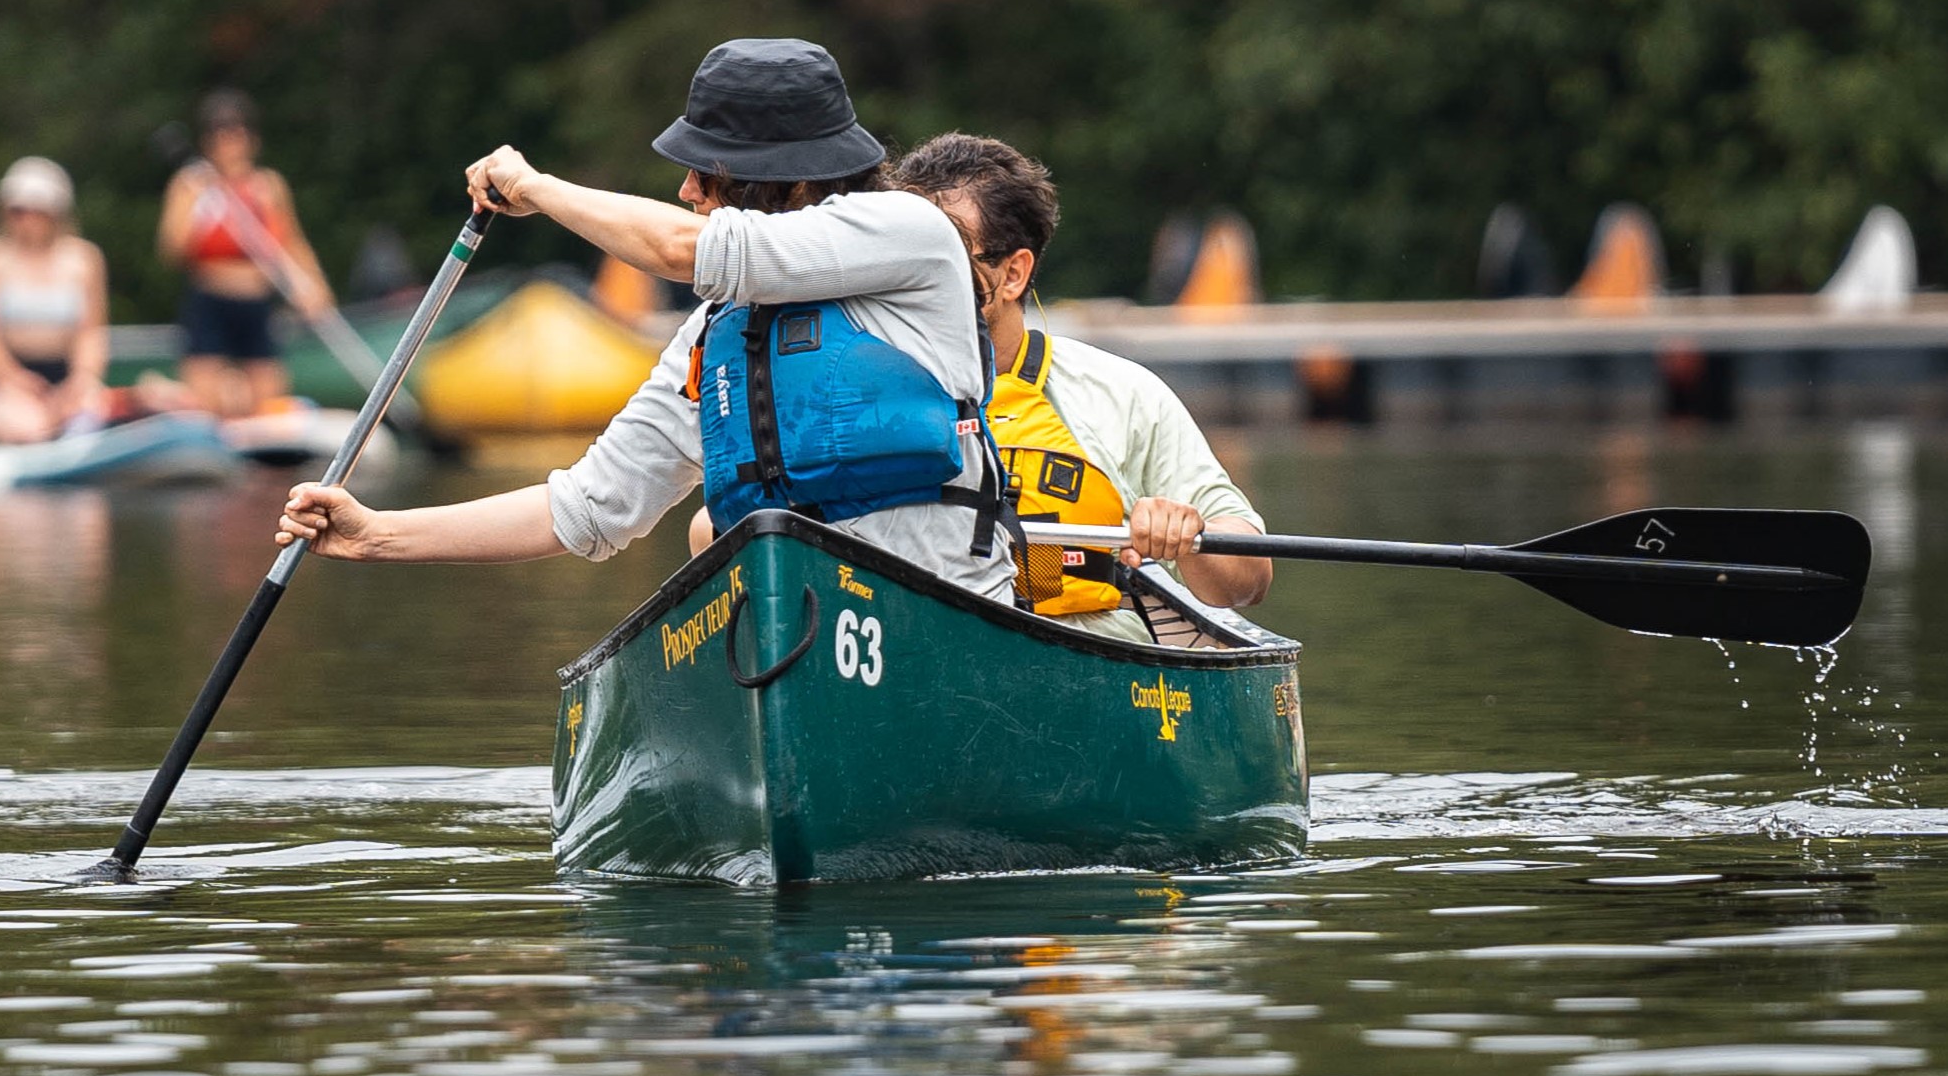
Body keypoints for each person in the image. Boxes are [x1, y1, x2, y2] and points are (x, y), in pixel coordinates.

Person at [275, 39, 1015, 602]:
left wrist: (536, 188)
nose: (689, 188)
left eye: (711, 169)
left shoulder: (905, 230)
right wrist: (378, 534)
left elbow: (678, 247)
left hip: (945, 604)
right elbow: (591, 509)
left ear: (791, 176)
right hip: (801, 619)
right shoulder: (715, 337)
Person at [894, 132, 1271, 642]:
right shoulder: (851, 388)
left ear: (1013, 274)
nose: (915, 277)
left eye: (944, 255)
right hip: (916, 649)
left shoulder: (1122, 393)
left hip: (1085, 657)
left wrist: (1189, 535)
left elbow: (1247, 581)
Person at [157, 89, 335, 417]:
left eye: (237, 132)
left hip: (255, 302)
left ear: (251, 138)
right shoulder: (191, 184)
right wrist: (202, 209)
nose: (229, 142)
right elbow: (171, 251)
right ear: (207, 141)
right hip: (210, 301)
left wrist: (315, 287)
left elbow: (292, 244)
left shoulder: (268, 186)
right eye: (220, 134)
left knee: (268, 398)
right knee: (205, 399)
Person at [0, 157, 109, 444]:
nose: (25, 219)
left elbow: (91, 334)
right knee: (28, 428)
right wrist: (13, 378)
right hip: (6, 380)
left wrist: (80, 380)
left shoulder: (84, 259)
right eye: (17, 211)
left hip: (67, 375)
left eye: (34, 211)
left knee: (90, 418)